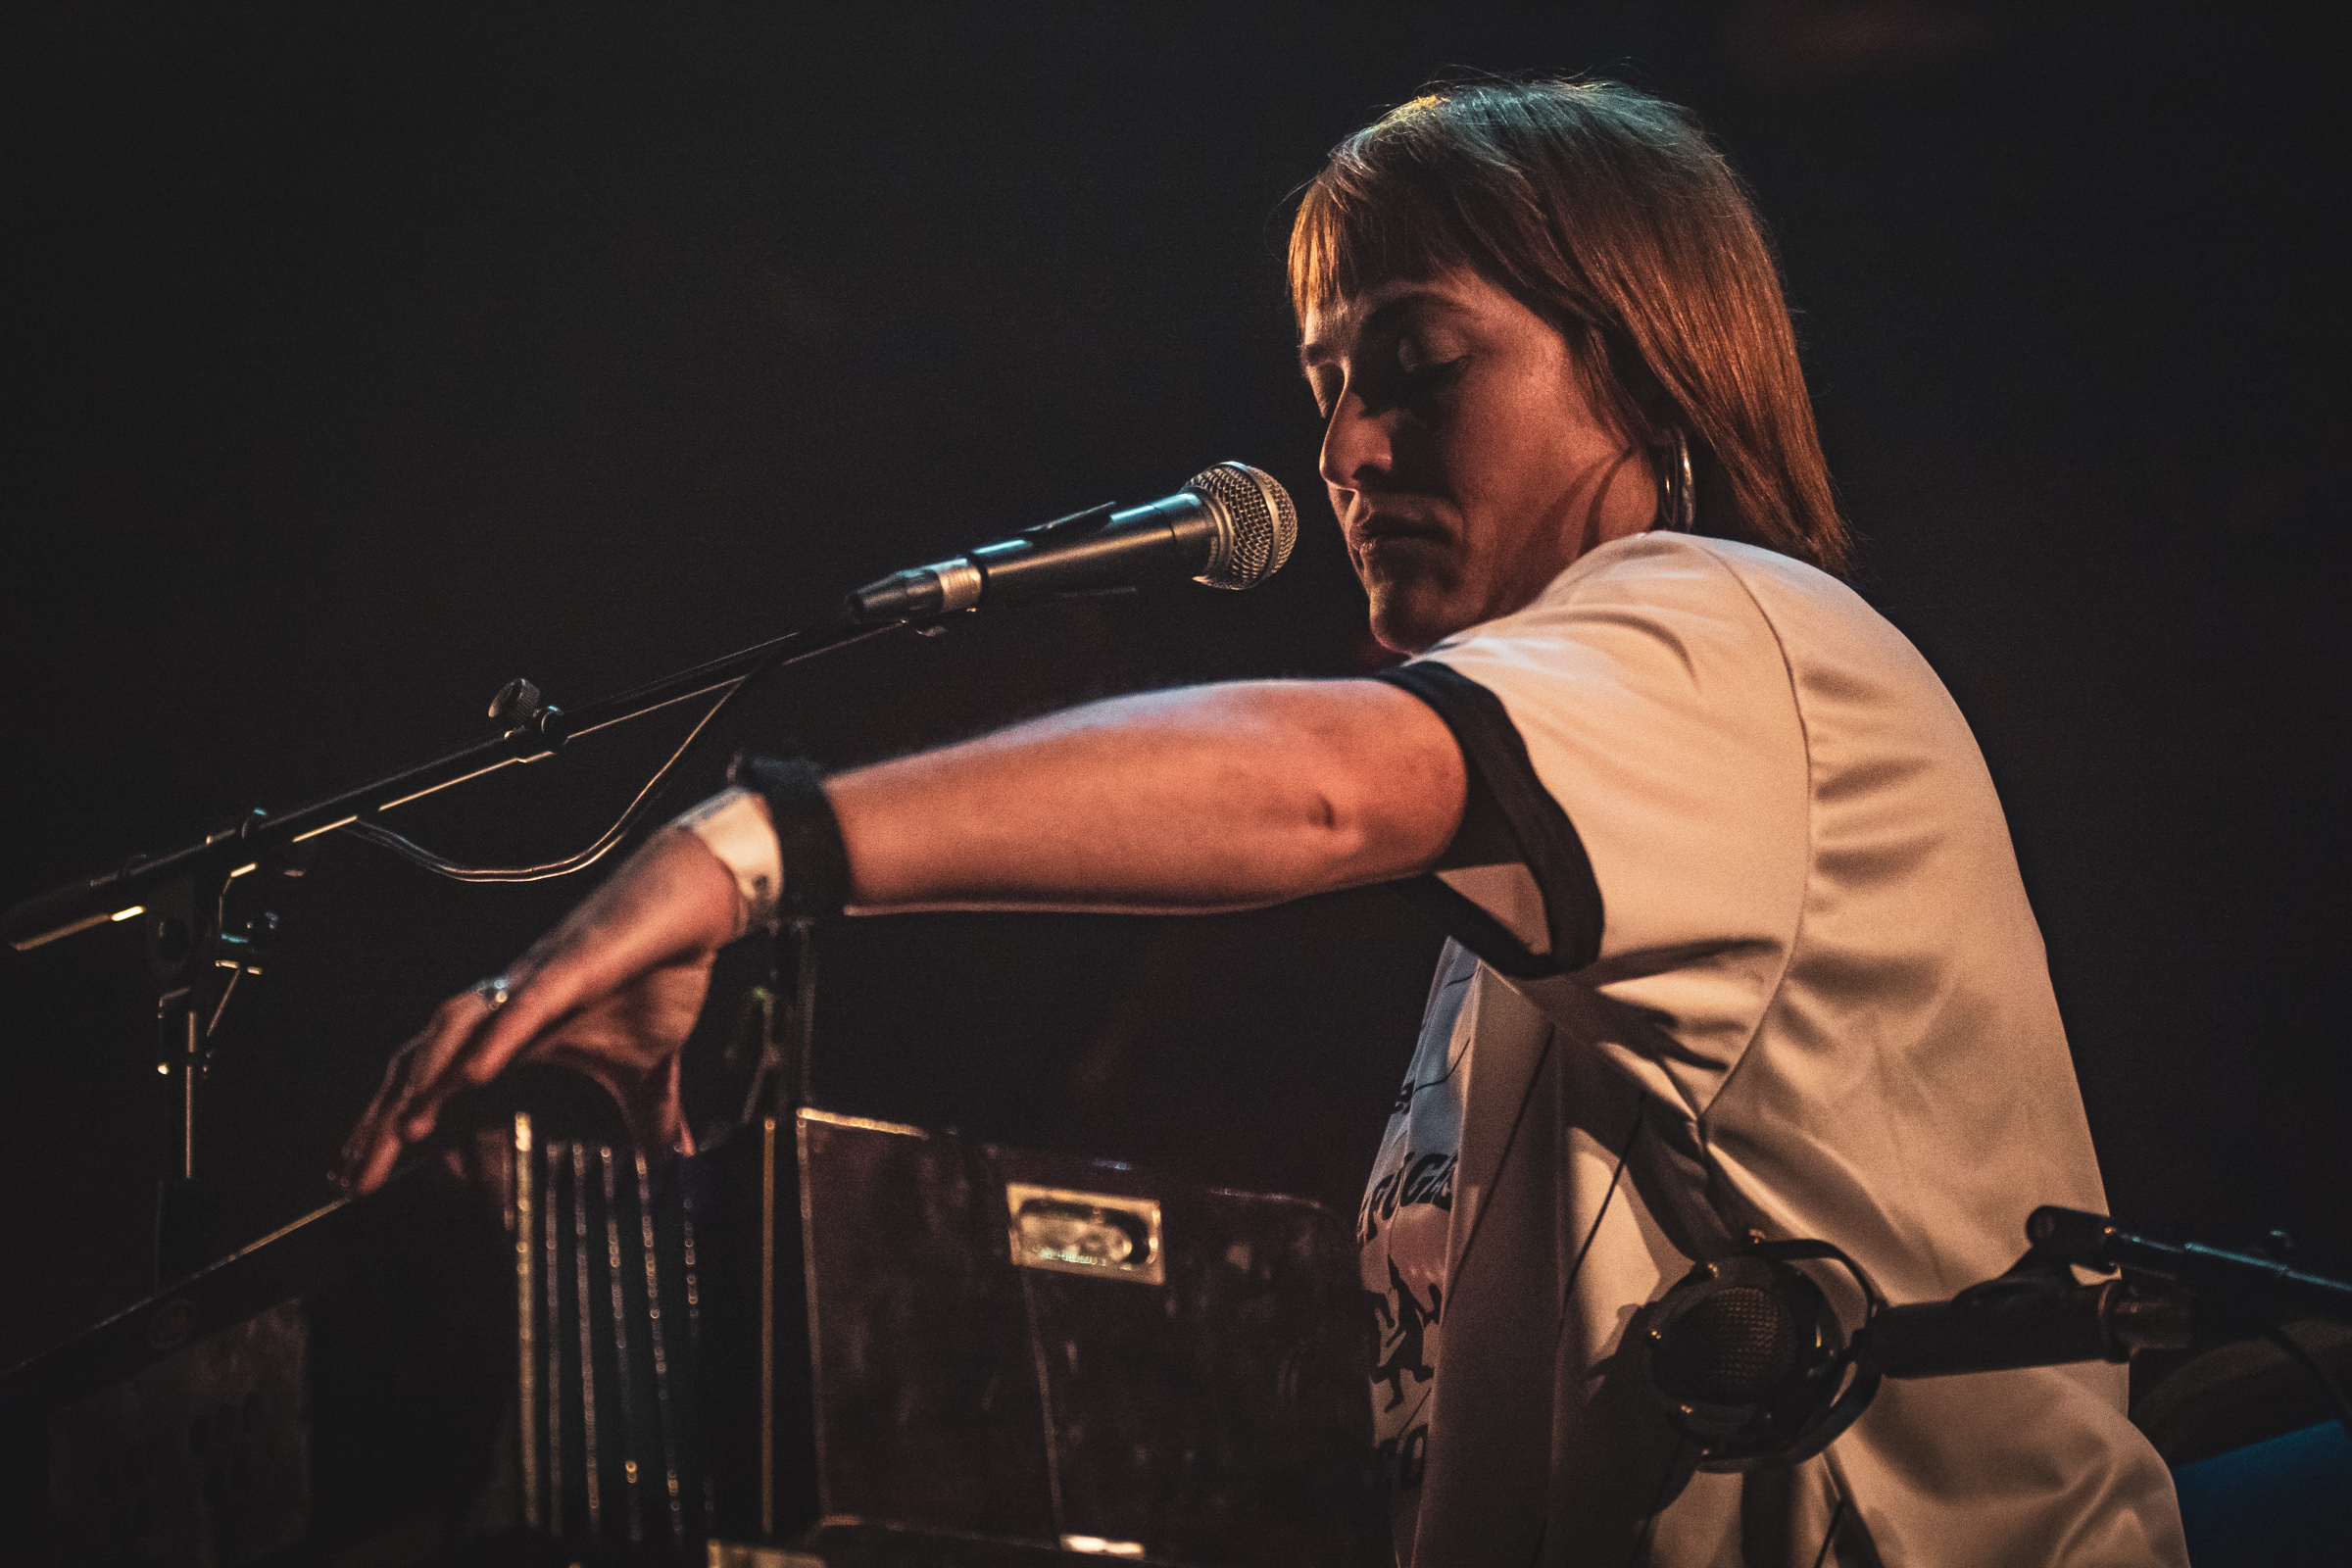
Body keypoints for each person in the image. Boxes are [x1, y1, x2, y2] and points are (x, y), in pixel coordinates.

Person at [342, 79, 2188, 1566]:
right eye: (1326, 388)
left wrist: (747, 856)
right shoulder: (1571, 855)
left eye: (1414, 361)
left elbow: (1312, 778)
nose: (1349, 451)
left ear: (1635, 359)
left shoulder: (1737, 634)